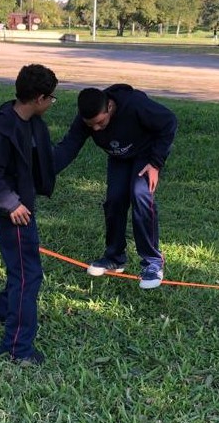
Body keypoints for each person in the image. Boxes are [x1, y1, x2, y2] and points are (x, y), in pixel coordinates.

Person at [54, 84, 177, 289]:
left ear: (110, 107)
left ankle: (152, 262)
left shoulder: (135, 104)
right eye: (91, 125)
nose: (95, 129)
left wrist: (156, 163)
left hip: (146, 154)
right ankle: (114, 258)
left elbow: (169, 121)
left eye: (100, 122)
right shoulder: (86, 119)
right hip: (120, 158)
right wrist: (45, 172)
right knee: (114, 200)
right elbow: (68, 147)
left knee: (140, 194)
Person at [0, 64, 60, 365]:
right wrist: (11, 204)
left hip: (21, 205)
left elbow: (47, 159)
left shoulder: (32, 122)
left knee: (20, 267)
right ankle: (17, 348)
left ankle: (3, 311)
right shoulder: (4, 128)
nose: (52, 103)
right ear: (39, 98)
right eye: (51, 97)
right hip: (11, 211)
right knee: (28, 274)